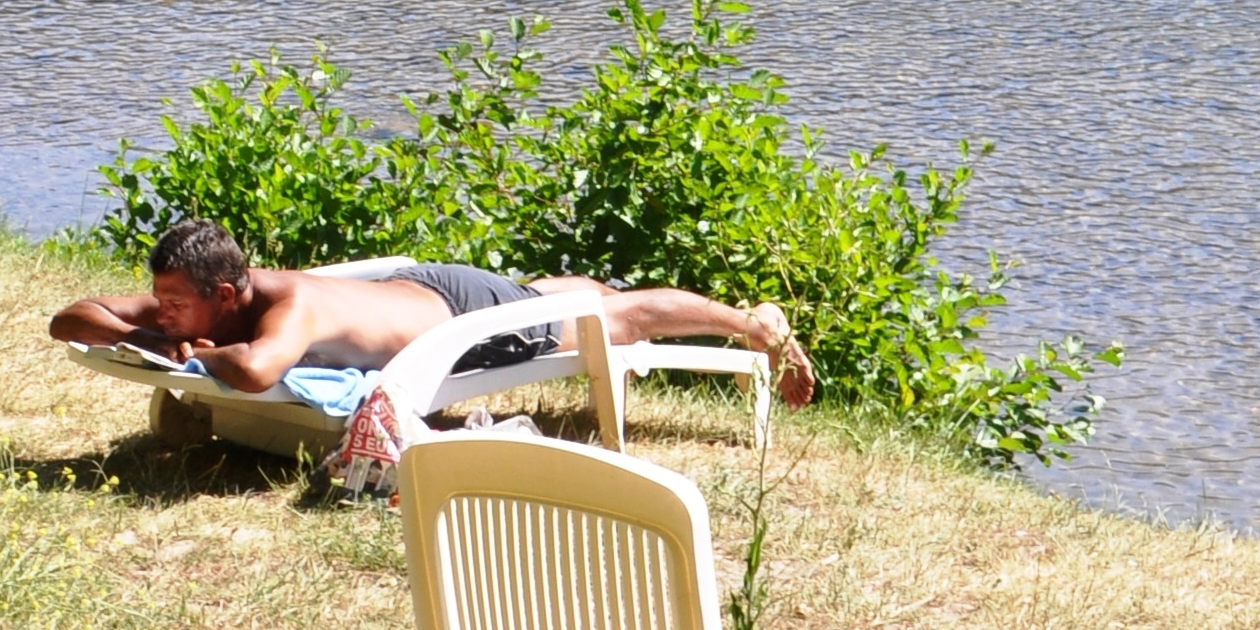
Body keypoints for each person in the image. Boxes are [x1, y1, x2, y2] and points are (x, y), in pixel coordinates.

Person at [48, 215, 816, 405]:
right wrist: (143, 329)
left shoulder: (294, 310)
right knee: (570, 294)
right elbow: (71, 316)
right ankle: (573, 282)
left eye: (179, 306)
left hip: (458, 324)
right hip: (421, 294)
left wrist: (193, 353)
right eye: (162, 301)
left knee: (615, 320)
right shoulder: (198, 293)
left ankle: (756, 324)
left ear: (226, 296)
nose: (165, 312)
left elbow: (252, 373)